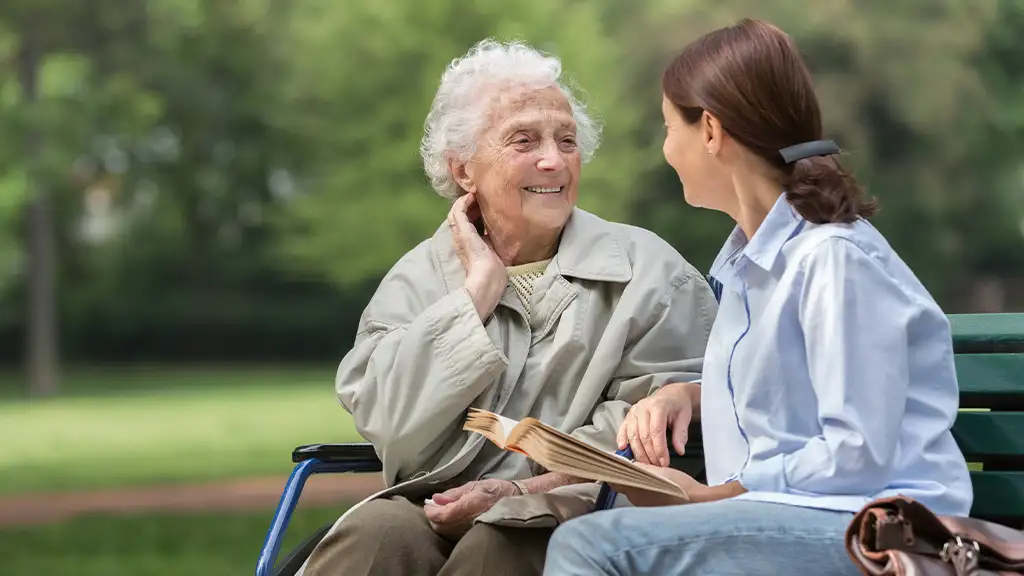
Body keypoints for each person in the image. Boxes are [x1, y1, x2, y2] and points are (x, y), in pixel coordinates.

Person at [542, 18, 974, 576]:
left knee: (593, 545)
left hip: (873, 530)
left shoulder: (833, 260)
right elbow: (797, 384)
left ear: (713, 131)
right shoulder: (752, 266)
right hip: (797, 519)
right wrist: (689, 396)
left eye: (670, 128)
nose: (667, 150)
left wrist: (710, 497)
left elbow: (856, 453)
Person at [301, 38, 718, 576]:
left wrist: (519, 488)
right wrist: (475, 295)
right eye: (523, 140)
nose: (554, 159)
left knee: (500, 544)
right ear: (464, 170)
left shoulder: (651, 273)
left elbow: (658, 435)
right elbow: (386, 420)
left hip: (579, 508)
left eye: (566, 140)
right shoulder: (419, 278)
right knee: (373, 537)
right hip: (430, 505)